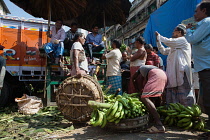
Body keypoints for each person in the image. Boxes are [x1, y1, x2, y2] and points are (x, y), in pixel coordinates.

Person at [155, 24, 195, 107]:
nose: (173, 32)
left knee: (185, 94)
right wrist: (158, 41)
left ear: (179, 32)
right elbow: (163, 51)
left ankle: (189, 112)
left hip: (182, 72)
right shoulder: (174, 47)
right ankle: (175, 111)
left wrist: (159, 37)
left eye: (174, 31)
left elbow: (169, 41)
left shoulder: (184, 40)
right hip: (173, 73)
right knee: (174, 94)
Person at [185, 1, 210, 131]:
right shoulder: (203, 25)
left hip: (207, 67)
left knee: (208, 100)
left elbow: (193, 39)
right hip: (203, 67)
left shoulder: (207, 22)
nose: (194, 14)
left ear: (204, 11)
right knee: (206, 99)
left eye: (197, 11)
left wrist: (188, 30)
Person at [132, 65, 167, 133]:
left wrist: (136, 89)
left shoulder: (140, 69)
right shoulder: (148, 69)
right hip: (163, 74)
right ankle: (153, 120)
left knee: (144, 98)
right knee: (153, 97)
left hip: (156, 75)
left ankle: (159, 125)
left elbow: (133, 78)